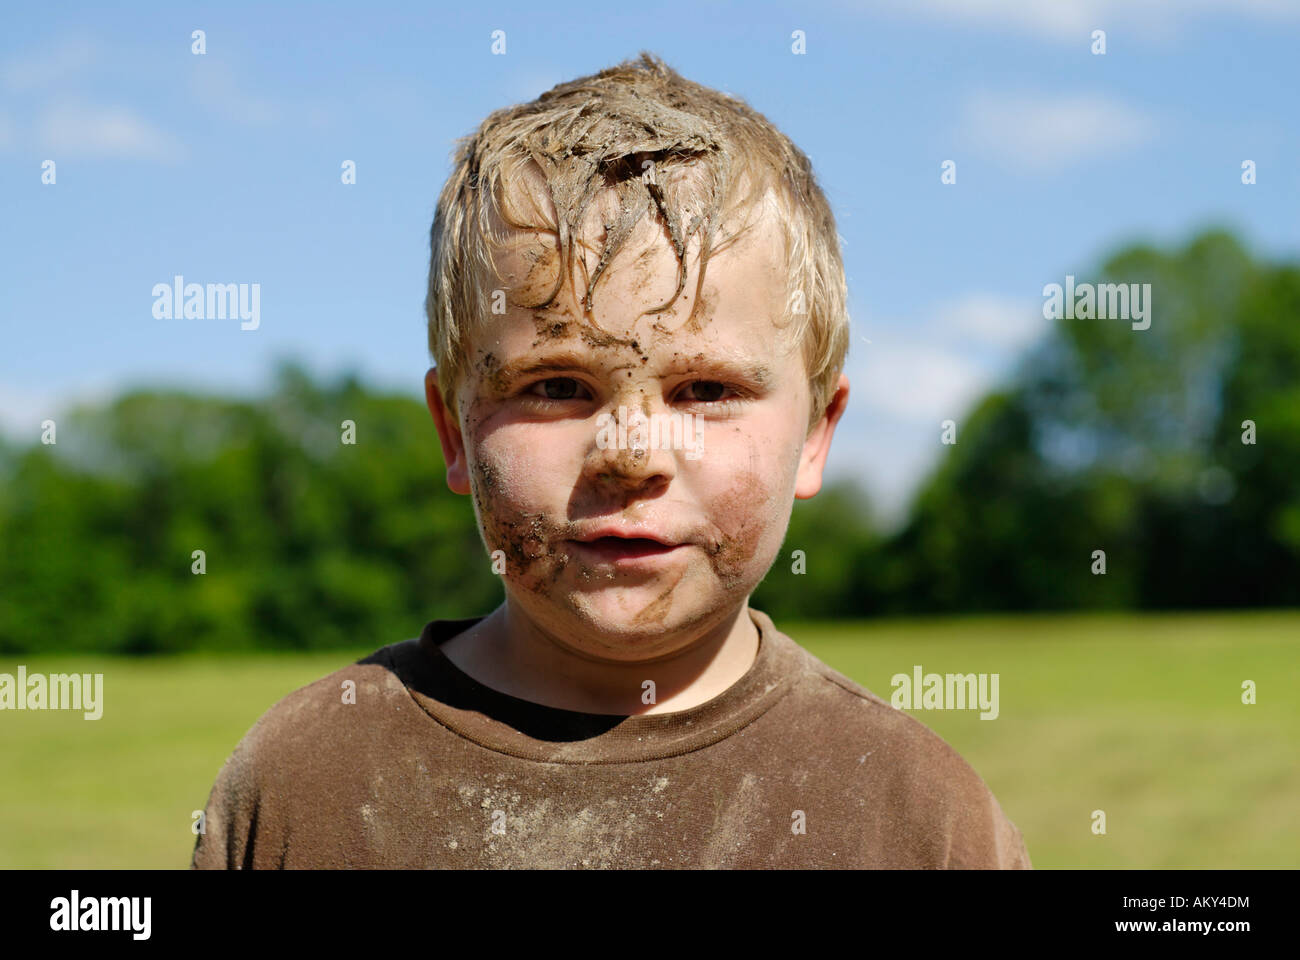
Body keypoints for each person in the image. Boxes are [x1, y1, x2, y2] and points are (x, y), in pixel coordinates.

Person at [191, 51, 1030, 869]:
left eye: (705, 389)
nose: (631, 457)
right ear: (454, 431)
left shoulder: (921, 816)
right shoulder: (303, 783)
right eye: (556, 386)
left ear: (817, 434)